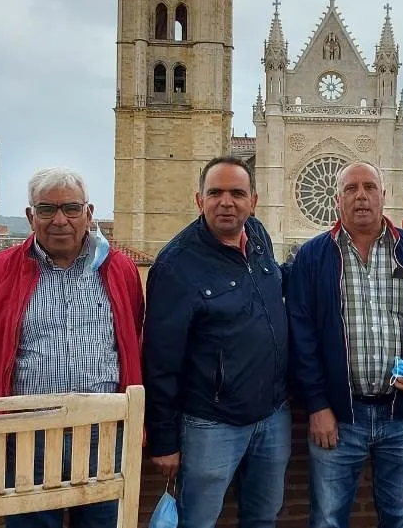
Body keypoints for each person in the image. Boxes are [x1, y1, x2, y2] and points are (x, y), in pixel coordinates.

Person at [0, 167, 145, 528]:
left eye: (71, 208)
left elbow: (131, 337)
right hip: (28, 432)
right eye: (47, 209)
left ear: (88, 214)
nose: (60, 220)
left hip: (102, 434)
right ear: (31, 217)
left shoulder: (120, 270)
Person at [286, 161, 403, 528]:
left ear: (385, 195)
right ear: (337, 199)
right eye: (351, 189)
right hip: (338, 417)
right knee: (327, 520)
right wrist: (317, 405)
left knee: (402, 519)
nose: (361, 196)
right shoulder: (313, 256)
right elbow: (301, 338)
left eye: (369, 187)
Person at [143, 156, 290, 528]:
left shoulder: (257, 236)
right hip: (211, 424)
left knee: (264, 519)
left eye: (237, 193)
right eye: (216, 193)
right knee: (198, 522)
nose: (227, 202)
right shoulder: (175, 265)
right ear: (199, 200)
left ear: (253, 201)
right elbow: (160, 360)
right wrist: (164, 440)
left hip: (272, 415)